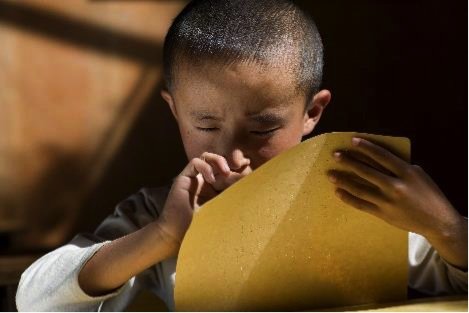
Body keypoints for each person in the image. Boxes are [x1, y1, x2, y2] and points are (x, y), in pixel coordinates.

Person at [16, 0, 467, 311]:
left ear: (312, 112)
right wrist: (163, 236)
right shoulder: (159, 215)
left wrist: (444, 225)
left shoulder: (357, 201)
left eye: (262, 128)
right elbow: (35, 301)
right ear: (175, 112)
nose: (232, 153)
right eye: (206, 126)